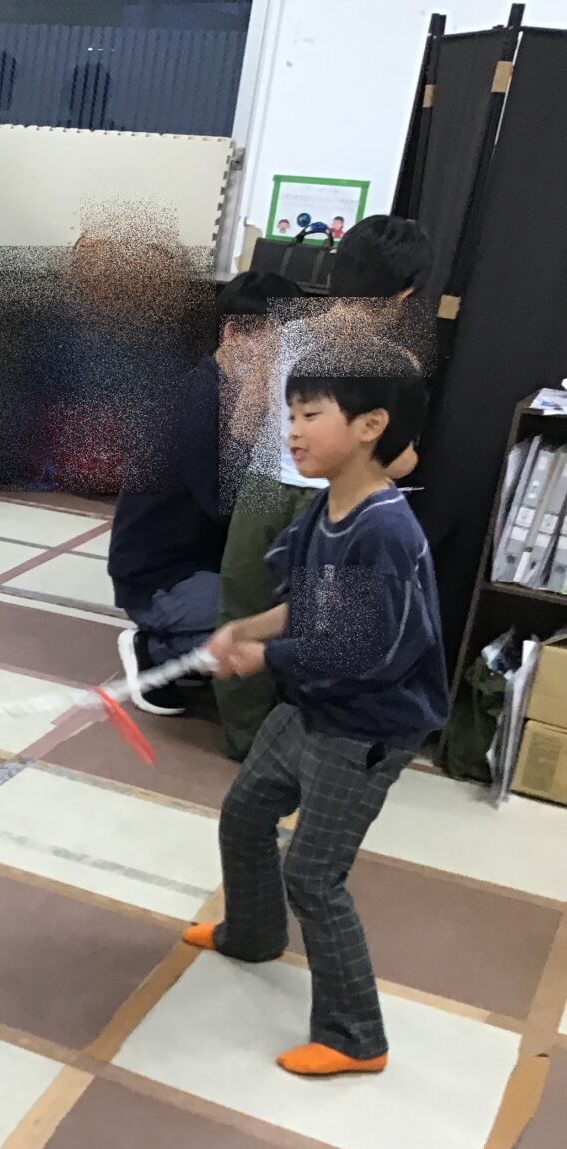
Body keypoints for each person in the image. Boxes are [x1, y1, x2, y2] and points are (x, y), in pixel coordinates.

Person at [186, 347, 446, 1078]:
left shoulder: (385, 529)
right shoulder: (322, 512)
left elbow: (366, 649)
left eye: (309, 415)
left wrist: (266, 658)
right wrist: (245, 629)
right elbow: (306, 607)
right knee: (245, 814)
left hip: (365, 728)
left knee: (314, 876)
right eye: (290, 415)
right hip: (312, 707)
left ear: (370, 426)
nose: (292, 431)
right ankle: (252, 934)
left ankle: (356, 1036)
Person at [213, 213, 433, 759]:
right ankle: (306, 744)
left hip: (263, 489)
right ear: (403, 294)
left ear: (336, 272)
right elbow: (401, 462)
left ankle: (244, 742)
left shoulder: (282, 337)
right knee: (326, 629)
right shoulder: (397, 364)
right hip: (337, 504)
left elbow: (243, 426)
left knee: (244, 610)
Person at [109, 271, 303, 713]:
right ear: (233, 334)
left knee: (282, 612)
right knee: (267, 620)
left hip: (201, 561)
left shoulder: (236, 396)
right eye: (276, 347)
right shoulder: (195, 402)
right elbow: (225, 505)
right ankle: (154, 651)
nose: (283, 362)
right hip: (160, 577)